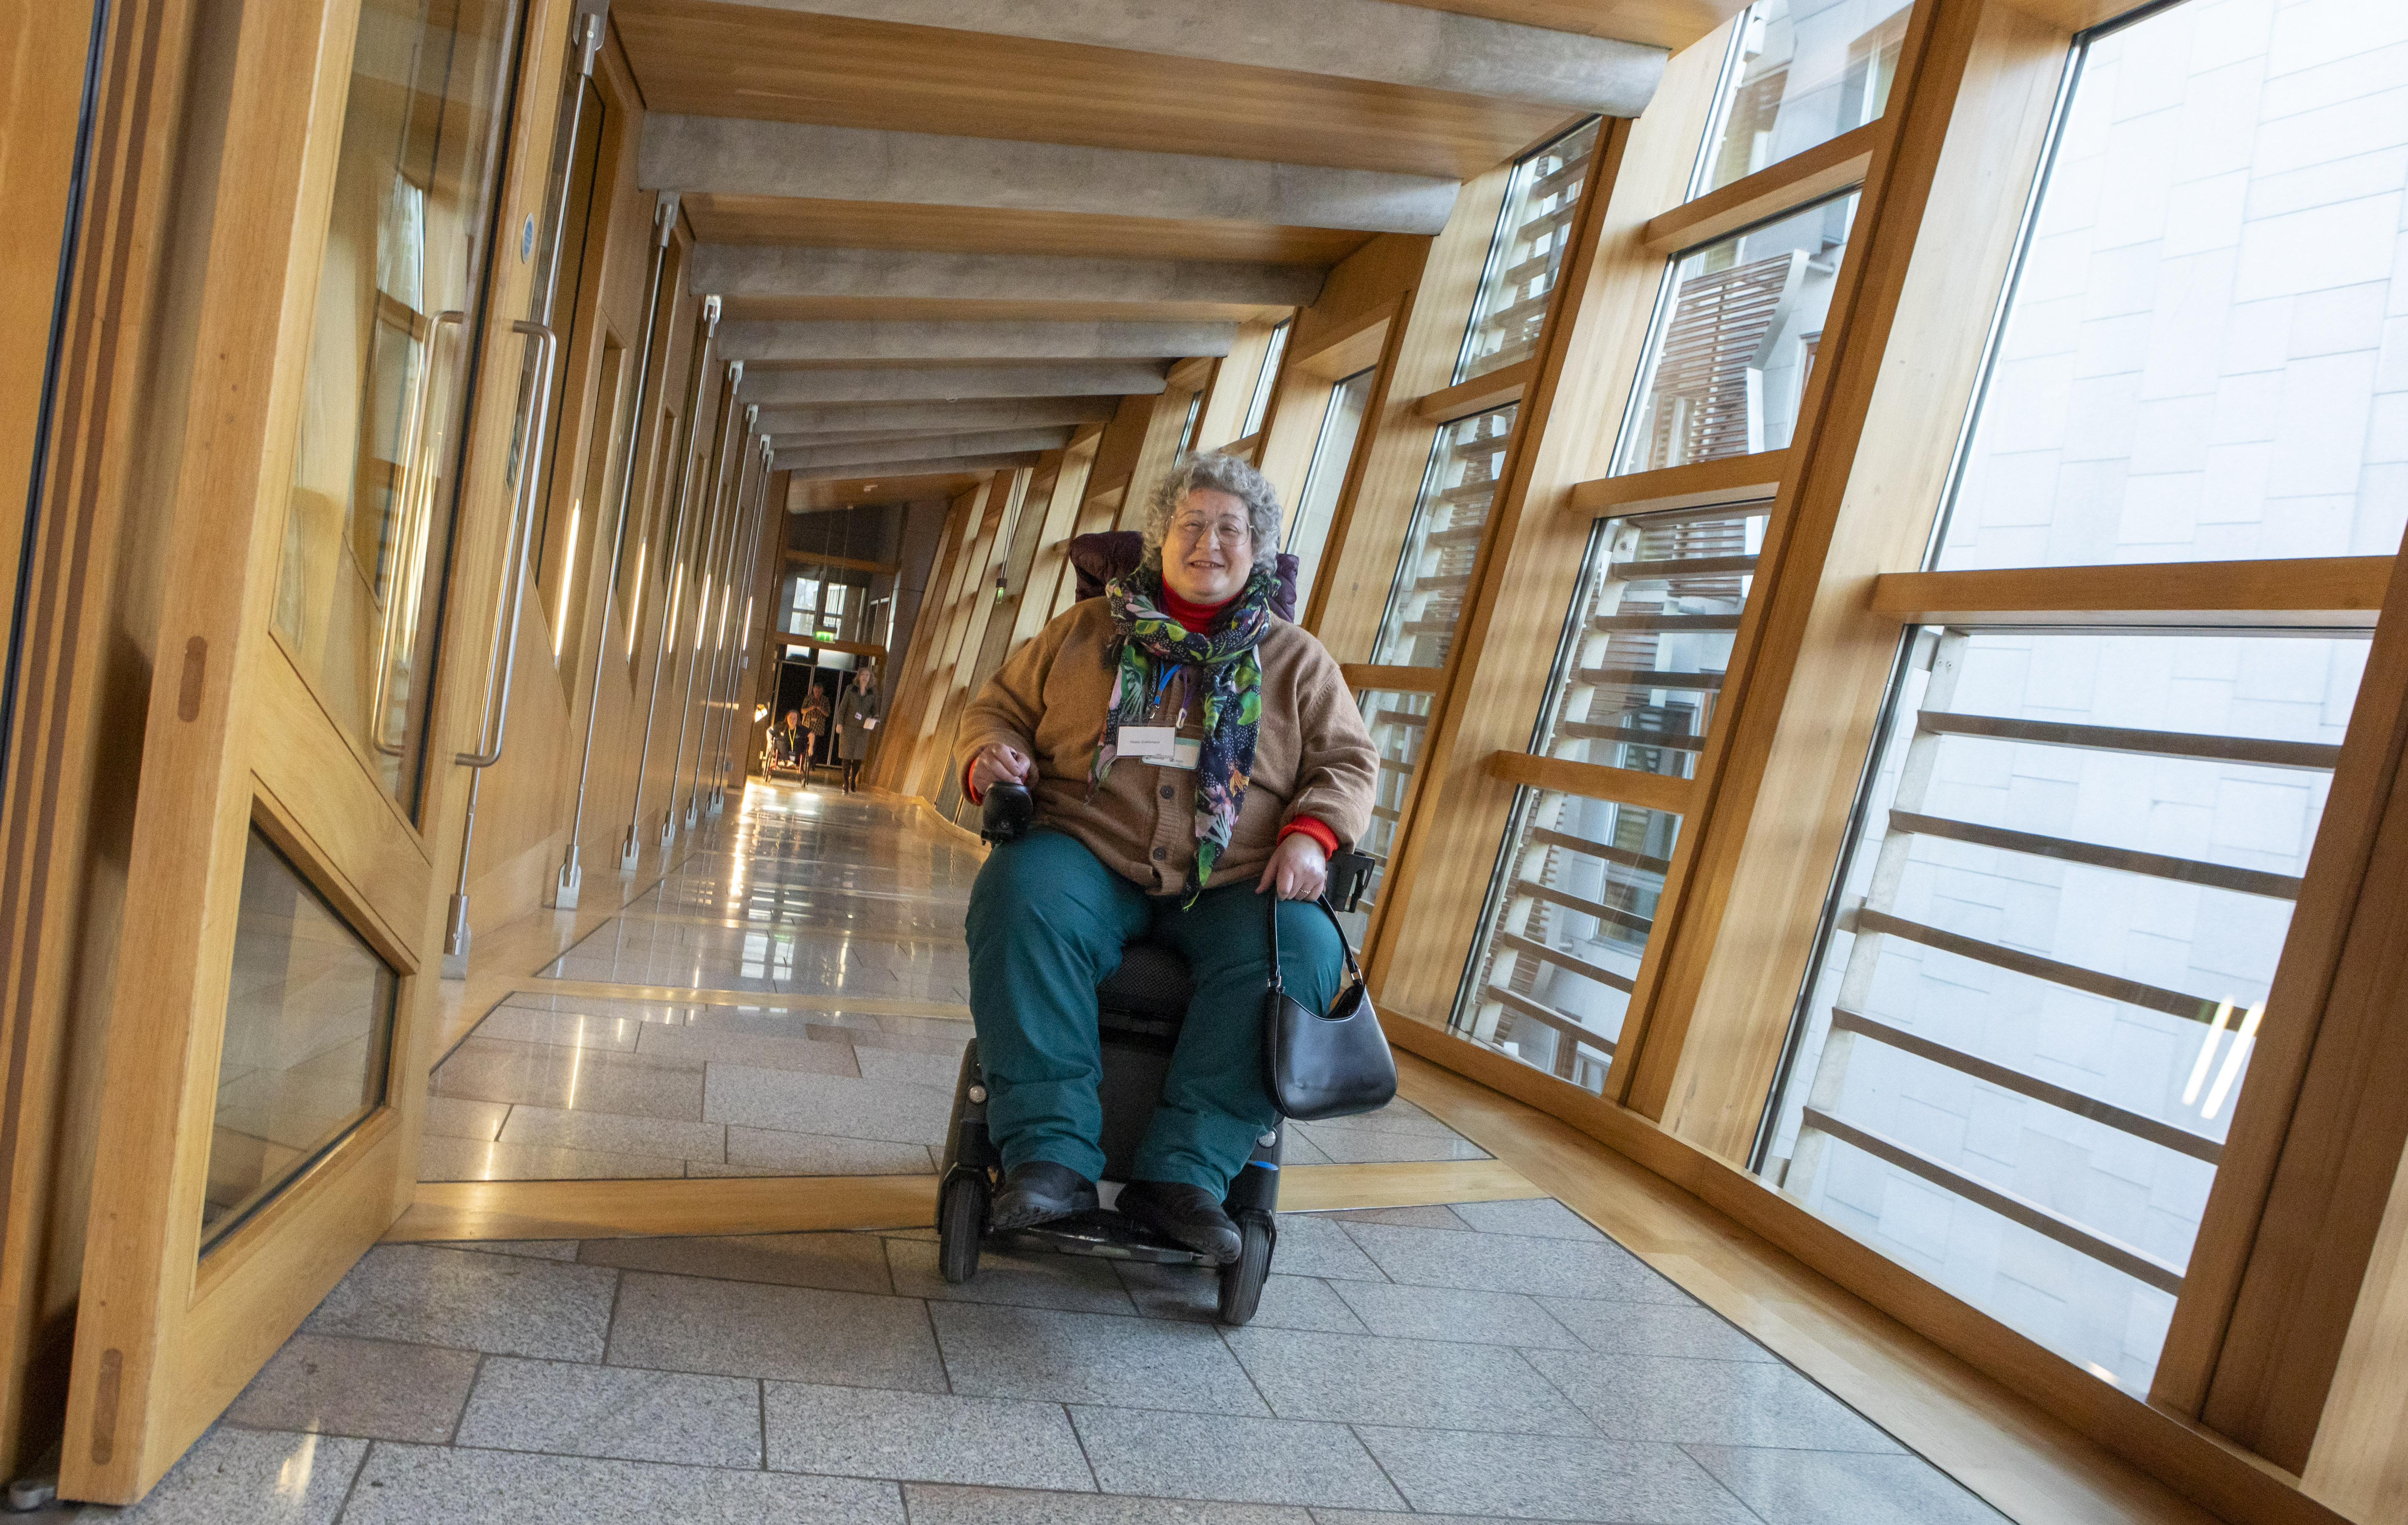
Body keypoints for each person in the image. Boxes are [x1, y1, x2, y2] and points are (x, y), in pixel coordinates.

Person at [955, 452, 1376, 1261]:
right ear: (1161, 539)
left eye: (1230, 527)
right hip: (1089, 847)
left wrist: (1312, 831)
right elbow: (996, 709)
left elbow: (1349, 765)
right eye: (1191, 524)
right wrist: (992, 758)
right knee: (1018, 892)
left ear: (1258, 547)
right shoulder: (1082, 633)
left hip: (1236, 877)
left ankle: (1184, 1173)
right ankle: (1048, 1155)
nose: (1209, 542)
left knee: (1306, 951)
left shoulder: (1296, 660)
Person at [838, 671, 882, 793]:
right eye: (863, 675)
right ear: (859, 677)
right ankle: (846, 781)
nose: (865, 678)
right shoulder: (851, 689)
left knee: (858, 756)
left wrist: (876, 715)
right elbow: (843, 707)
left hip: (863, 729)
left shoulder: (872, 692)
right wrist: (839, 723)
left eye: (868, 676)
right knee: (847, 755)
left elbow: (874, 709)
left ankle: (853, 780)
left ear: (870, 679)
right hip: (848, 727)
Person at [798, 689, 831, 784]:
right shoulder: (808, 699)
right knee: (804, 745)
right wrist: (811, 708)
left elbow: (828, 714)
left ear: (822, 691)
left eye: (820, 692)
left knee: (814, 746)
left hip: (818, 727)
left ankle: (811, 764)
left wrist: (820, 708)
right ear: (813, 690)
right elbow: (803, 710)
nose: (818, 693)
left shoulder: (825, 700)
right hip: (808, 725)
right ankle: (802, 763)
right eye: (816, 691)